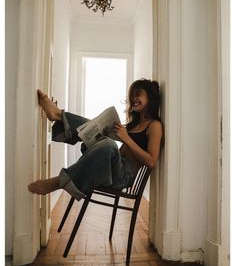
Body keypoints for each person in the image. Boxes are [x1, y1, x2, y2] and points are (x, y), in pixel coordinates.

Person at [28, 79, 163, 201]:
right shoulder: (135, 123)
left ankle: (59, 182)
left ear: (150, 97)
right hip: (110, 165)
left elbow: (151, 161)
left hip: (122, 176)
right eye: (132, 95)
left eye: (138, 94)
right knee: (92, 126)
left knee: (109, 145)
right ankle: (57, 115)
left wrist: (127, 139)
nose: (133, 98)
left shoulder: (154, 126)